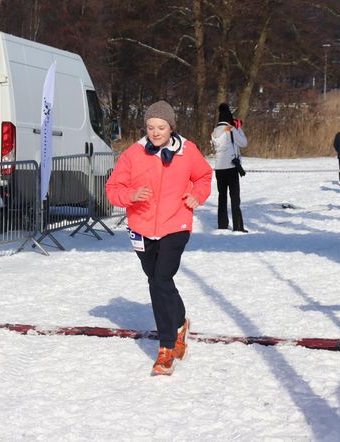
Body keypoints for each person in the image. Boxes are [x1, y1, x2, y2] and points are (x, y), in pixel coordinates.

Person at [105, 100, 212, 376]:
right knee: (156, 279)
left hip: (176, 224)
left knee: (161, 279)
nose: (155, 132)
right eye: (151, 127)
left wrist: (196, 196)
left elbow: (203, 176)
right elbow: (113, 188)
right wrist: (130, 196)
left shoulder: (187, 151)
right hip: (141, 228)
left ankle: (166, 347)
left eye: (161, 127)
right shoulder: (133, 154)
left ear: (171, 127)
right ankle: (179, 322)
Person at [211, 103, 248, 232]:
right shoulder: (231, 129)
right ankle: (238, 226)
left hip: (219, 168)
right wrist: (238, 128)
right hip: (231, 168)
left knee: (222, 197)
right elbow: (243, 143)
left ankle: (222, 224)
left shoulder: (215, 131)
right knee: (235, 198)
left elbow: (215, 147)